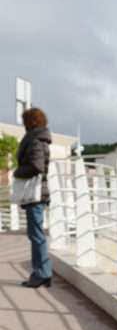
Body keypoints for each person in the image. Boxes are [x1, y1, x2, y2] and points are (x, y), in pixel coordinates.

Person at [15, 107, 53, 289]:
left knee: (36, 235)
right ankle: (42, 273)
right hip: (38, 193)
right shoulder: (41, 140)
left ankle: (41, 274)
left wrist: (17, 172)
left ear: (30, 122)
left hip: (35, 194)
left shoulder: (35, 141)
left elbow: (37, 166)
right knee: (36, 234)